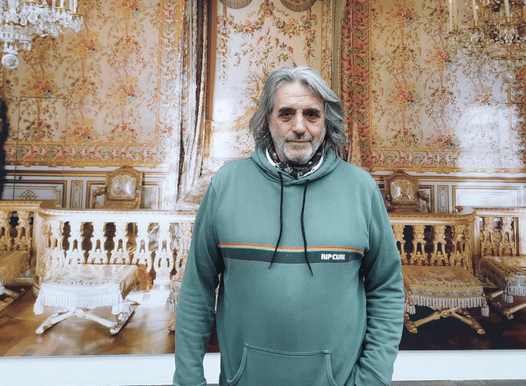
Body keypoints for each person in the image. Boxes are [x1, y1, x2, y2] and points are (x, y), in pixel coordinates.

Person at [173, 66, 405, 386]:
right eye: (286, 114)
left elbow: (387, 289)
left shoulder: (361, 189)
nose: (299, 127)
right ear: (268, 120)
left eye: (312, 114)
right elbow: (197, 289)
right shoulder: (226, 184)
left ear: (327, 122)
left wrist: (373, 378)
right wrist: (187, 379)